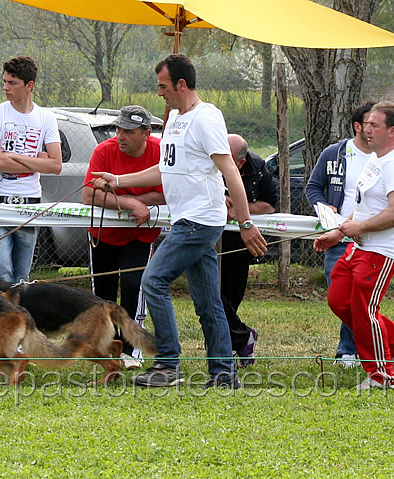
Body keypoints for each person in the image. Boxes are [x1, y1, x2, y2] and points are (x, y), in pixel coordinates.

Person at [91, 54, 267, 389]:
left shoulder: (206, 117)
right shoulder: (173, 120)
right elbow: (165, 170)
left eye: (163, 86)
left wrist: (245, 223)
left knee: (153, 281)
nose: (159, 93)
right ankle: (223, 374)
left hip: (199, 221)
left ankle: (168, 363)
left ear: (181, 85)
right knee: (208, 301)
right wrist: (118, 179)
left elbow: (229, 169)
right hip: (187, 218)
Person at [314, 101, 394, 390]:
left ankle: (383, 377)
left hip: (383, 251)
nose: (367, 129)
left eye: (375, 125)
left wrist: (358, 228)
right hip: (359, 247)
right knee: (339, 300)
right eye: (366, 123)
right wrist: (338, 233)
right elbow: (364, 208)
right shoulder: (376, 159)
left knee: (364, 311)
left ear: (392, 131)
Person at [82, 105, 165, 370]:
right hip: (103, 234)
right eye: (119, 128)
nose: (121, 135)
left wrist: (132, 201)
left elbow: (166, 194)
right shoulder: (103, 151)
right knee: (103, 295)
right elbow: (88, 195)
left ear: (146, 133)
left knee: (132, 284)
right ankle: (107, 347)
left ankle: (132, 349)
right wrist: (130, 203)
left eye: (129, 131)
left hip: (139, 235)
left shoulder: (160, 151)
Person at [306, 102, 375, 369]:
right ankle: (356, 348)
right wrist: (324, 208)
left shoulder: (386, 157)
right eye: (371, 124)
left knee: (362, 296)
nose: (375, 130)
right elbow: (313, 187)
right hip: (337, 238)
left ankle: (350, 350)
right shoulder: (334, 154)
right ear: (358, 126)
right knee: (340, 295)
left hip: (371, 239)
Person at [0, 56, 62, 282]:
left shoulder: (45, 117)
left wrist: (16, 156)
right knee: (2, 269)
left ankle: (19, 315)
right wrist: (36, 160)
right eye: (4, 81)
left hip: (29, 199)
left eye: (12, 83)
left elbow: (56, 165)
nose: (5, 87)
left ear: (29, 85)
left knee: (22, 275)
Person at [222, 134, 278, 367]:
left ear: (241, 163)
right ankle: (241, 337)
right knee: (210, 297)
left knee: (230, 298)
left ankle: (234, 344)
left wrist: (238, 208)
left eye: (227, 158)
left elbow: (269, 206)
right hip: (208, 238)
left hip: (239, 241)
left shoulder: (258, 168)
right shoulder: (206, 162)